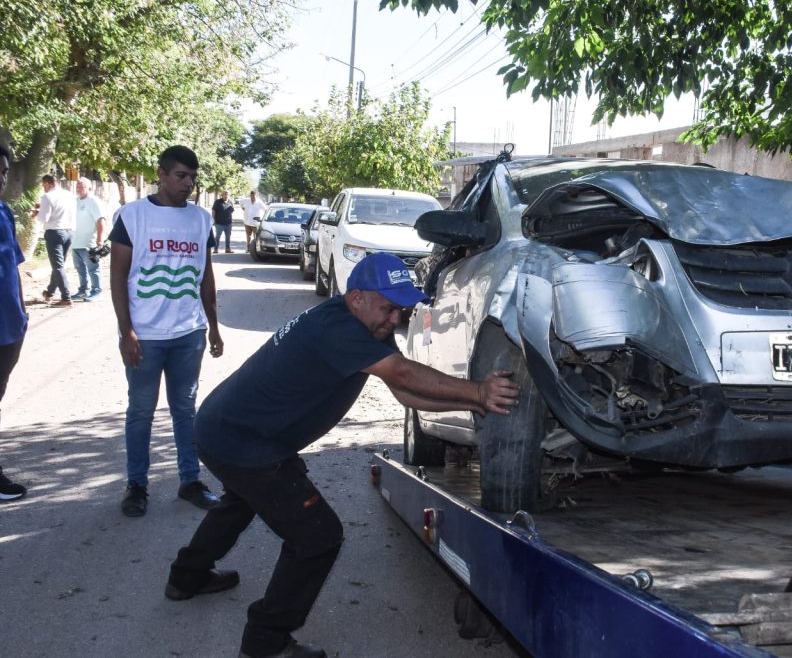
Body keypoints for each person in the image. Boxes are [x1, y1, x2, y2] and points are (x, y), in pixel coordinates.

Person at [164, 253, 520, 658]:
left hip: (231, 429)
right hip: (243, 440)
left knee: (243, 498)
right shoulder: (339, 329)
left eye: (400, 310)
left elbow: (402, 391)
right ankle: (266, 642)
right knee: (317, 536)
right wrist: (476, 391)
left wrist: (472, 405)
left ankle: (187, 577)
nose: (394, 320)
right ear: (356, 299)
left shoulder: (368, 328)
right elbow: (403, 374)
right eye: (387, 308)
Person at [109, 145, 224, 518]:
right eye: (181, 176)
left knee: (185, 409)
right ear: (161, 174)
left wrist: (213, 327)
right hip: (145, 335)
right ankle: (137, 486)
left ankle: (190, 481)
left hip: (188, 333)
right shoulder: (133, 216)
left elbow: (206, 277)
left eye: (193, 177)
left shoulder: (201, 219)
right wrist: (126, 332)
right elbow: (118, 277)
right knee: (141, 411)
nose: (188, 183)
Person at [0, 144, 28, 502]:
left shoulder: (4, 211)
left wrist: (22, 313)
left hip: (9, 327)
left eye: (4, 172)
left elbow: (15, 267)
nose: (2, 179)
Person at [33, 174, 76, 307]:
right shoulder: (69, 194)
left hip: (54, 232)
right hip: (69, 231)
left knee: (57, 266)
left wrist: (36, 213)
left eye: (43, 185)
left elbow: (44, 218)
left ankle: (66, 297)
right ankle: (50, 292)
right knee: (59, 265)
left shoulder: (47, 196)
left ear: (48, 183)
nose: (43, 188)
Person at [70, 178, 106, 301]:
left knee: (93, 268)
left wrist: (100, 240)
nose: (79, 189)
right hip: (76, 242)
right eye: (77, 186)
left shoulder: (93, 201)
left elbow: (101, 221)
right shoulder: (75, 201)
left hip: (89, 242)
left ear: (89, 188)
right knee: (80, 269)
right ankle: (82, 290)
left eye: (82, 187)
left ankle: (96, 290)